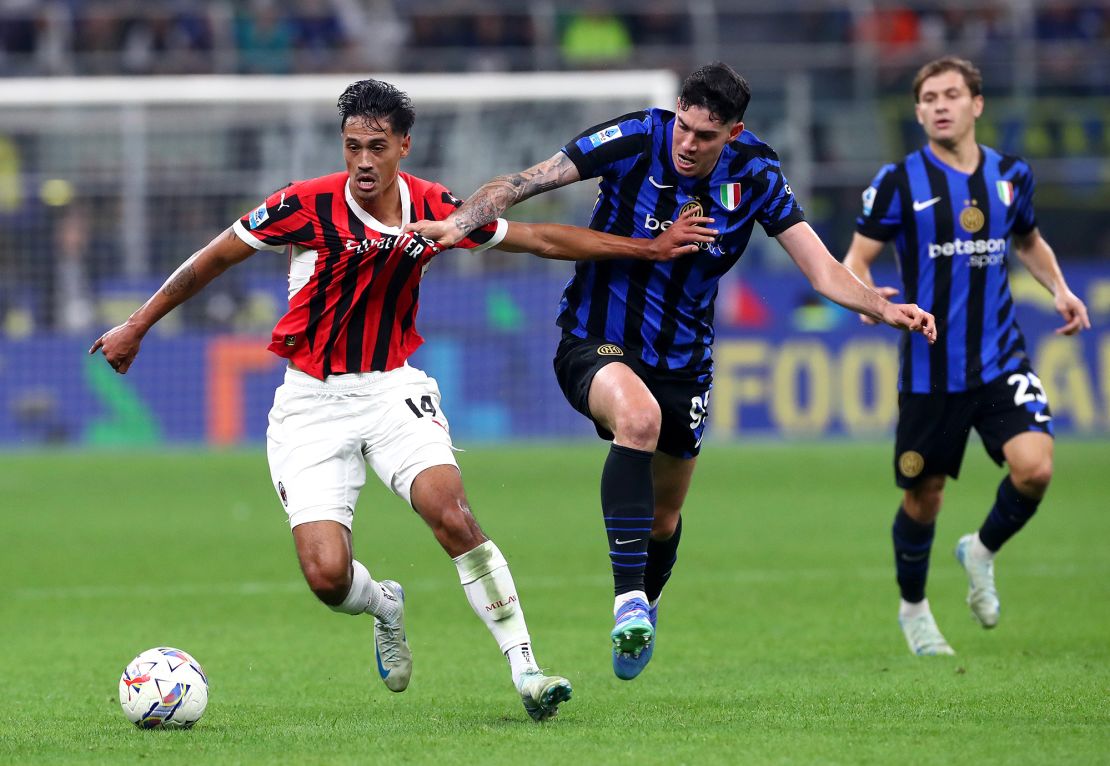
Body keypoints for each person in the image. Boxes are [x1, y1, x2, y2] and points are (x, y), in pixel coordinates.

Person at [90, 78, 715, 719]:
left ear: (403, 147)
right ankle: (383, 603)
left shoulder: (438, 209)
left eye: (377, 147)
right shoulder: (301, 205)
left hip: (393, 390)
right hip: (310, 403)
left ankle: (527, 670)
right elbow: (214, 258)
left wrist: (647, 248)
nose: (363, 160)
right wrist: (138, 323)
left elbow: (539, 239)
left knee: (453, 516)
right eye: (353, 146)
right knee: (328, 578)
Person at [408, 62, 938, 680]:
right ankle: (627, 599)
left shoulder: (758, 175)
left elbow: (821, 270)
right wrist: (456, 224)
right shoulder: (636, 137)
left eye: (705, 137)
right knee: (638, 419)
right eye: (684, 127)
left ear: (733, 133)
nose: (688, 144)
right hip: (595, 338)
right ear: (676, 112)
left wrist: (882, 306)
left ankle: (645, 603)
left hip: (685, 359)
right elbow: (523, 182)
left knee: (664, 517)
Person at [841, 56, 1090, 656]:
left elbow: (1027, 239)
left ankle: (980, 550)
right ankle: (914, 609)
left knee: (1036, 468)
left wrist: (1058, 288)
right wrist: (867, 299)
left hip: (1001, 356)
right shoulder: (899, 182)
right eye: (929, 98)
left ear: (976, 104)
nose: (940, 105)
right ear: (919, 110)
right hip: (930, 368)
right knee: (923, 498)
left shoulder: (1010, 175)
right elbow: (855, 259)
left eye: (952, 94)